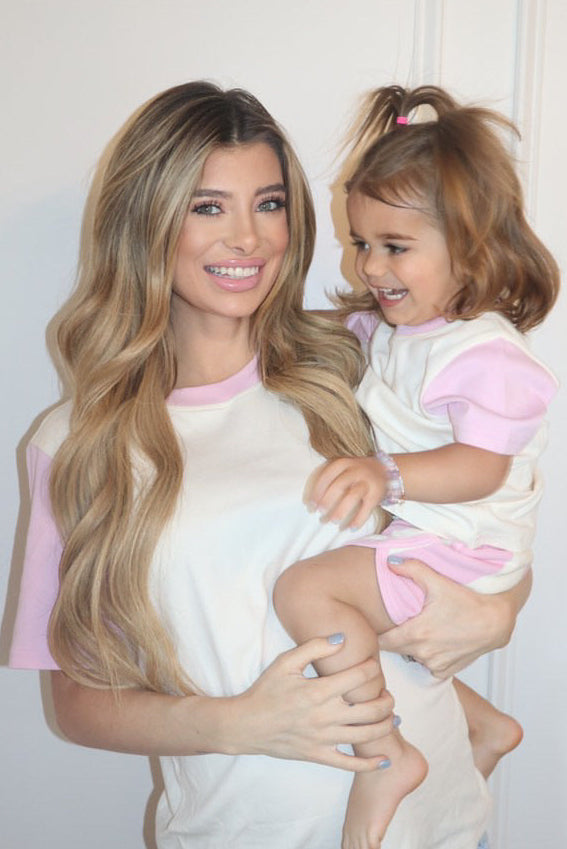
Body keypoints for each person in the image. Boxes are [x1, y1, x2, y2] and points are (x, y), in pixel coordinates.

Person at [8, 81, 530, 849]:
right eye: (208, 206)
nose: (249, 238)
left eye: (271, 203)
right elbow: (78, 701)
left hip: (441, 826)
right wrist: (238, 721)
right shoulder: (77, 442)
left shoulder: (360, 360)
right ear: (145, 219)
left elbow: (496, 505)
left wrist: (499, 611)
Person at [274, 84, 559, 849]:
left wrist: (385, 473)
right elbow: (353, 330)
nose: (368, 264)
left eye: (394, 246)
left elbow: (481, 467)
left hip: (468, 547)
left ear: (469, 246)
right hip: (451, 539)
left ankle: (383, 753)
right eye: (360, 241)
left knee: (309, 589)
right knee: (367, 623)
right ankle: (484, 723)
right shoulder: (408, 331)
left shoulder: (486, 354)